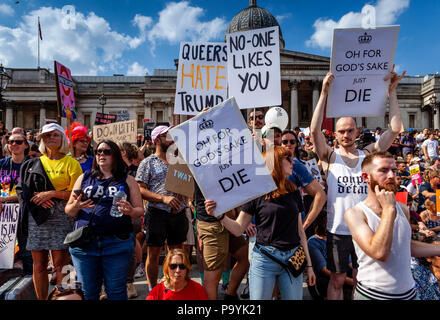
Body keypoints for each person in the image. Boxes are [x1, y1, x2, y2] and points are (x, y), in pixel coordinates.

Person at [310, 68, 405, 300]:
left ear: (357, 131)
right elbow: (313, 130)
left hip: (367, 227)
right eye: (341, 131)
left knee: (362, 278)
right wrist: (323, 93)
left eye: (350, 130)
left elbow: (394, 129)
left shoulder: (368, 156)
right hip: (338, 230)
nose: (346, 135)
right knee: (337, 279)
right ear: (335, 135)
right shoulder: (329, 157)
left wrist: (392, 92)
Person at [205, 146, 316, 300]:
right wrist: (220, 216)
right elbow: (238, 229)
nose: (293, 162)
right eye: (288, 159)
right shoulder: (256, 193)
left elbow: (300, 232)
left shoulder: (294, 191)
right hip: (264, 260)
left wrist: (309, 266)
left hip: (292, 258)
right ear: (275, 163)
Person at [345, 151, 440, 300]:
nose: (391, 176)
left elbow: (404, 245)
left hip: (409, 293)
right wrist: (388, 209)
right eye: (383, 170)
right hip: (373, 295)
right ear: (366, 177)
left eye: (393, 171)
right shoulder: (355, 213)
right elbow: (379, 252)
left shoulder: (402, 209)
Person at [65, 139, 144, 300]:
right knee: (88, 293)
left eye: (106, 151)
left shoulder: (128, 180)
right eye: (98, 151)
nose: (101, 154)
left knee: (115, 292)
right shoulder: (84, 177)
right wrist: (77, 206)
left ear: (115, 156)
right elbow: (68, 209)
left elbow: (139, 210)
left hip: (117, 243)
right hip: (85, 244)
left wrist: (130, 210)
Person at [16, 123, 83, 300]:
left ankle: (67, 297)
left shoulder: (72, 163)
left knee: (63, 263)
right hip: (37, 218)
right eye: (46, 136)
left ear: (62, 139)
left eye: (55, 135)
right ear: (42, 140)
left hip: (62, 216)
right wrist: (37, 202)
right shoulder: (30, 163)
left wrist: (52, 194)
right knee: (38, 265)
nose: (50, 138)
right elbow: (22, 190)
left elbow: (77, 194)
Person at [136, 125, 188, 292]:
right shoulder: (147, 162)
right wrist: (164, 198)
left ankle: (173, 285)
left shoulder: (179, 159)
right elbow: (140, 189)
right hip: (157, 213)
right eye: (168, 136)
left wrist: (178, 199)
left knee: (176, 252)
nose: (173, 139)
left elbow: (185, 183)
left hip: (178, 212)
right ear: (157, 140)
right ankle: (152, 288)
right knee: (154, 253)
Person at [194, 182, 249, 300]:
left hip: (230, 220)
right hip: (211, 223)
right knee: (213, 274)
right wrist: (199, 229)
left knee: (246, 256)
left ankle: (230, 295)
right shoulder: (203, 164)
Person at [281, 129, 327, 236]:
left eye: (292, 142)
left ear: (297, 144)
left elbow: (321, 195)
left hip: (294, 215)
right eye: (285, 142)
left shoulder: (298, 165)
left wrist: (304, 225)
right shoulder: (269, 162)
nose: (288, 144)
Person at [0, 133, 32, 274]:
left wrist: (5, 199)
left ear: (26, 145)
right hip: (3, 212)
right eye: (11, 141)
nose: (14, 144)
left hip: (24, 212)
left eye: (18, 141)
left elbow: (28, 192)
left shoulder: (33, 164)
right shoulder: (2, 163)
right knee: (3, 252)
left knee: (26, 251)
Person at [307, 212, 355, 300]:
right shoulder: (313, 242)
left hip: (340, 275)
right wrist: (350, 281)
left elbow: (350, 262)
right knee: (327, 280)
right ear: (322, 223)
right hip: (322, 280)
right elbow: (323, 270)